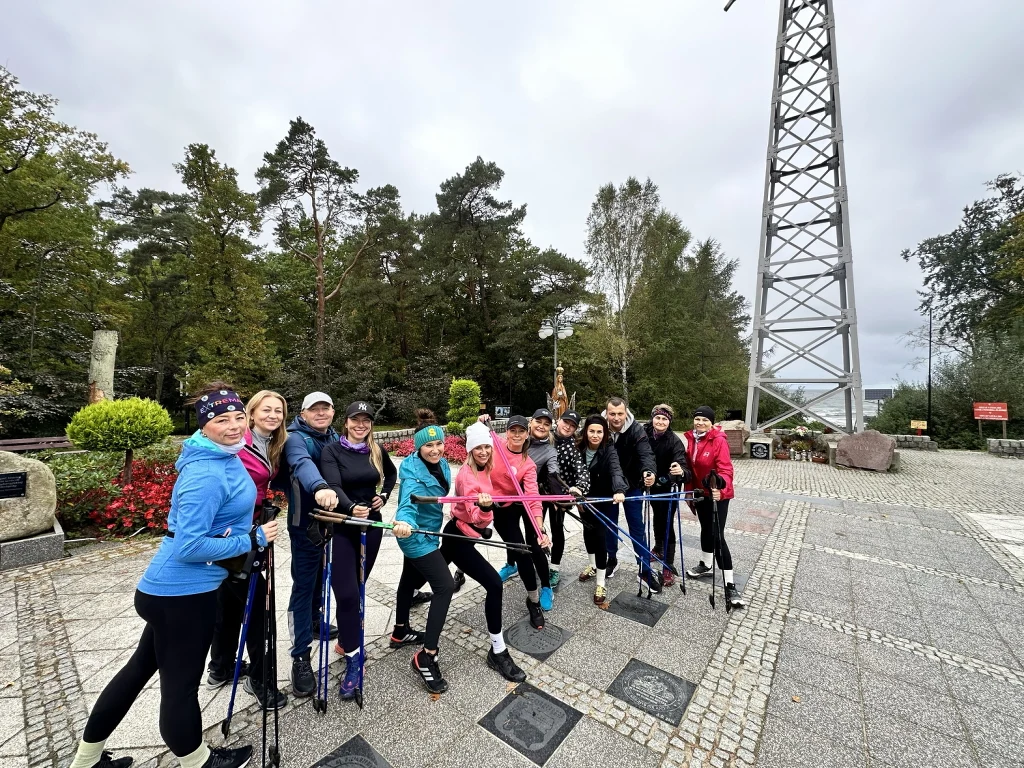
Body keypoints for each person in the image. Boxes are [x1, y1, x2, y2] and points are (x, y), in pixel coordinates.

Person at [69, 386, 275, 768]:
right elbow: (189, 547)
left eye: (237, 417)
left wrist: (237, 530)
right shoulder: (207, 473)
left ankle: (86, 760)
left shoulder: (223, 455)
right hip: (182, 594)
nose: (233, 426)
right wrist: (254, 537)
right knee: (179, 687)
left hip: (169, 591)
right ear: (204, 425)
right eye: (220, 419)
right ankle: (197, 761)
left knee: (138, 669)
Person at [205, 389, 289, 710]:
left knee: (228, 598)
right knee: (257, 604)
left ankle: (221, 666)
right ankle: (259, 678)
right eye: (265, 410)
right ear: (252, 413)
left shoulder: (271, 444)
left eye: (278, 411)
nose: (272, 415)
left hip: (251, 527)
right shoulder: (236, 444)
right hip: (237, 533)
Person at [319, 401, 398, 700]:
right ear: (346, 422)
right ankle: (354, 655)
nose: (361, 425)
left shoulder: (377, 451)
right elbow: (333, 484)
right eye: (356, 420)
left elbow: (390, 476)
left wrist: (383, 496)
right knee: (347, 592)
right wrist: (351, 507)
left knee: (358, 586)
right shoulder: (332, 451)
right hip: (343, 525)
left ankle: (347, 640)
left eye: (366, 420)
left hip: (372, 528)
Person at [443, 422, 526, 681]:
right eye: (477, 448)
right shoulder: (467, 476)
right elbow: (476, 516)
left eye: (486, 447)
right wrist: (488, 510)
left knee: (419, 573)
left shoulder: (484, 468)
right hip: (458, 536)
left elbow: (502, 447)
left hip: (465, 533)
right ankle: (498, 651)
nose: (483, 452)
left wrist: (487, 428)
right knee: (494, 584)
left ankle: (401, 620)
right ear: (469, 450)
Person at [280, 392, 341, 699]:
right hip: (304, 525)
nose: (320, 412)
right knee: (304, 586)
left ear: (332, 411)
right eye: (313, 409)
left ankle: (316, 621)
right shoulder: (295, 439)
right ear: (302, 414)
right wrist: (320, 488)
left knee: (320, 576)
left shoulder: (334, 437)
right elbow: (302, 465)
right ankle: (300, 655)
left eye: (325, 407)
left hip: (329, 523)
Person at [391, 410, 457, 693]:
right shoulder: (410, 470)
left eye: (438, 444)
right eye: (428, 446)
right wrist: (404, 520)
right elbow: (407, 500)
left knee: (408, 579)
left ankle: (400, 630)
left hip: (431, 532)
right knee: (444, 586)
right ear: (418, 447)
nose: (435, 450)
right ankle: (426, 656)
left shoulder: (442, 465)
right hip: (414, 534)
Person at [494, 408, 561, 611]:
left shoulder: (534, 460)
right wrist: (480, 422)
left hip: (526, 498)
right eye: (512, 431)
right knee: (515, 543)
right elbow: (475, 445)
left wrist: (540, 528)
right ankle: (511, 565)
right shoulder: (495, 445)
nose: (516, 435)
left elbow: (534, 496)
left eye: (520, 432)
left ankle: (546, 587)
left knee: (534, 544)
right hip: (501, 504)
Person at [683, 406, 745, 609]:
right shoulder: (693, 438)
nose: (700, 423)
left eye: (704, 420)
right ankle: (706, 564)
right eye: (697, 419)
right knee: (705, 530)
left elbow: (726, 469)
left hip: (718, 494)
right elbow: (691, 468)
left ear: (711, 422)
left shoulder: (718, 440)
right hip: (701, 494)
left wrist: (721, 486)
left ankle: (729, 584)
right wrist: (689, 489)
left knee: (718, 537)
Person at [603, 397, 660, 593]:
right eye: (612, 414)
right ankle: (611, 558)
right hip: (608, 484)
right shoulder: (600, 426)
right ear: (607, 413)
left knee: (637, 526)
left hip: (633, 484)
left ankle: (644, 568)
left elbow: (646, 454)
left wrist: (649, 471)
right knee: (609, 524)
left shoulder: (636, 429)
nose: (616, 418)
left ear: (626, 412)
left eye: (620, 414)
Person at [576, 415, 626, 605]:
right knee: (587, 534)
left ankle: (601, 581)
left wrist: (619, 489)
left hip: (602, 500)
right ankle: (592, 566)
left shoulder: (609, 450)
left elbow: (616, 470)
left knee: (600, 538)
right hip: (583, 500)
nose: (595, 435)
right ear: (586, 431)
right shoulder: (578, 448)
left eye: (599, 432)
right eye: (592, 431)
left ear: (604, 433)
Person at [644, 404, 691, 587]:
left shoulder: (674, 440)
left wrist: (675, 473)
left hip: (667, 485)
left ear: (669, 421)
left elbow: (683, 467)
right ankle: (658, 548)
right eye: (658, 418)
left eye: (665, 419)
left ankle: (668, 564)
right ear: (652, 418)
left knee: (667, 522)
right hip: (650, 484)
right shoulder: (644, 434)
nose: (661, 421)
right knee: (657, 516)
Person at [549, 409, 589, 587]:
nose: (568, 427)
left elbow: (582, 471)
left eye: (573, 426)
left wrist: (579, 488)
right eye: (566, 422)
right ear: (558, 420)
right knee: (532, 529)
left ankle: (554, 568)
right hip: (537, 493)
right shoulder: (545, 438)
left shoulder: (573, 447)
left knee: (557, 531)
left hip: (560, 497)